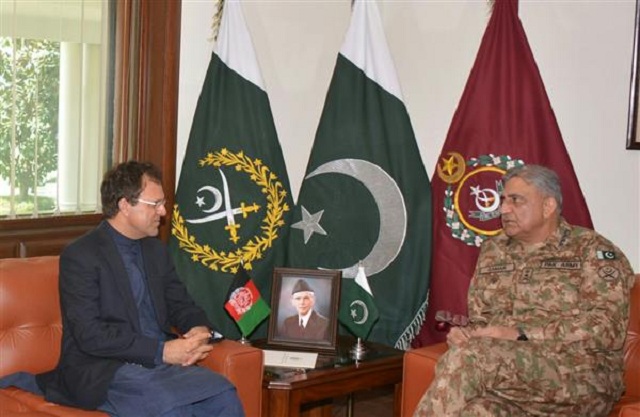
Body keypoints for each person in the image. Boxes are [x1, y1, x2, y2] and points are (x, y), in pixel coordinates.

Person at [0, 161, 244, 417]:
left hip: (154, 364)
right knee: (171, 407)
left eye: (163, 203)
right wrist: (161, 351)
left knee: (223, 394)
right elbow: (90, 334)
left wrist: (198, 329)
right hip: (103, 367)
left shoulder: (155, 250)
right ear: (125, 205)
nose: (163, 211)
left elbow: (180, 304)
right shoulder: (81, 255)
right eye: (155, 204)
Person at [414, 164, 635, 417]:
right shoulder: (494, 250)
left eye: (516, 201)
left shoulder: (591, 251)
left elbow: (608, 330)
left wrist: (520, 334)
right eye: (503, 200)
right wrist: (468, 334)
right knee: (476, 411)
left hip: (579, 377)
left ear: (548, 206)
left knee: (472, 357)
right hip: (509, 376)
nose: (503, 209)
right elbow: (484, 319)